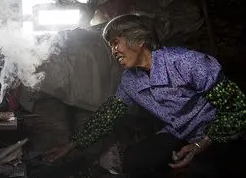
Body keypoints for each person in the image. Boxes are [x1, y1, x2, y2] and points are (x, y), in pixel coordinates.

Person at [44, 14, 246, 178]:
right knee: (133, 159)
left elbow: (238, 109)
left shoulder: (187, 63)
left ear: (139, 40)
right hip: (179, 133)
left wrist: (201, 144)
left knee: (204, 170)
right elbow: (107, 115)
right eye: (111, 46)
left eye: (116, 43)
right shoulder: (130, 80)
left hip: (218, 131)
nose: (114, 52)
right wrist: (69, 146)